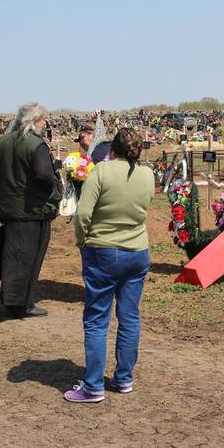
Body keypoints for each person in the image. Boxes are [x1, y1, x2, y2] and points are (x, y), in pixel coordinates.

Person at [65, 128, 155, 403]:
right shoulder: (147, 175)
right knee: (129, 318)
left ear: (111, 148)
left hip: (103, 251)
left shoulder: (100, 173)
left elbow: (82, 214)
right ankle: (124, 378)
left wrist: (83, 242)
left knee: (96, 320)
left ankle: (92, 386)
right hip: (137, 251)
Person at [0, 102, 62, 318]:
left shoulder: (3, 142)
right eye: (43, 120)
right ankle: (25, 304)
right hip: (32, 210)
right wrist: (55, 186)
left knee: (12, 256)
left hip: (7, 208)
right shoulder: (35, 144)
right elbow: (43, 174)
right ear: (34, 121)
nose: (44, 124)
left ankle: (10, 301)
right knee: (30, 258)